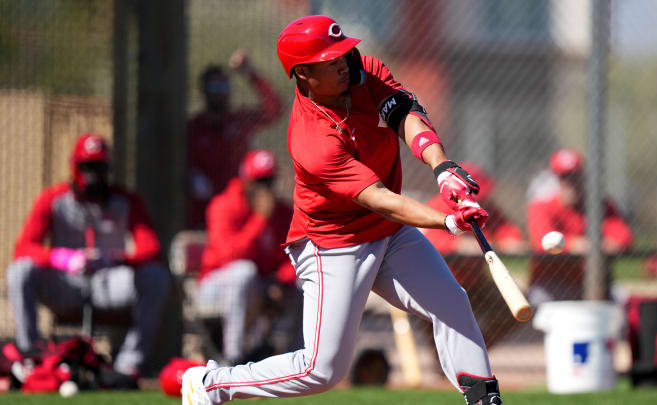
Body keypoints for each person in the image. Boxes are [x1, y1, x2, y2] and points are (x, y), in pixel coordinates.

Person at [183, 15, 503, 405]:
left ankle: (484, 400)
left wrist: (442, 168)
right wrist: (447, 220)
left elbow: (407, 117)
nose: (344, 60)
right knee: (321, 370)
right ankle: (213, 384)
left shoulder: (365, 72)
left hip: (388, 232)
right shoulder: (312, 138)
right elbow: (381, 198)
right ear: (303, 74)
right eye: (331, 59)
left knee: (451, 302)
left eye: (343, 51)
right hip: (333, 244)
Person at [6, 133, 171, 377]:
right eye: (87, 167)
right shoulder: (53, 199)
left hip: (108, 281)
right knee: (19, 271)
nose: (92, 174)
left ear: (108, 169)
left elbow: (151, 249)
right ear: (75, 167)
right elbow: (24, 248)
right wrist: (61, 258)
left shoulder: (126, 200)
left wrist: (116, 258)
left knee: (156, 276)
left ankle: (128, 365)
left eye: (98, 167)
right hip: (65, 283)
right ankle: (31, 357)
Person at [196, 149, 299, 365]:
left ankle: (298, 361)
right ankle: (233, 357)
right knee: (244, 272)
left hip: (258, 284)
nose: (265, 187)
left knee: (301, 286)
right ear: (245, 181)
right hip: (215, 286)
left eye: (269, 180)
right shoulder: (223, 205)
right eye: (259, 181)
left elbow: (293, 256)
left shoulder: (280, 212)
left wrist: (280, 281)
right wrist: (259, 220)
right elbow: (229, 256)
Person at [423, 162, 525, 349]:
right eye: (474, 193)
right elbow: (431, 241)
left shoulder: (485, 207)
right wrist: (462, 244)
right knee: (438, 325)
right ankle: (443, 364)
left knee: (513, 309)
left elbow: (510, 234)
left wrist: (506, 240)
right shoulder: (437, 206)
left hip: (474, 283)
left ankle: (476, 348)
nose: (481, 198)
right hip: (439, 282)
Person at [187, 49, 283, 229]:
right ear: (204, 90)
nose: (220, 93)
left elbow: (274, 110)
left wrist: (251, 75)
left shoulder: (239, 121)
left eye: (224, 86)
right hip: (200, 213)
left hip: (240, 208)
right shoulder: (193, 128)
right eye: (214, 87)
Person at [526, 148, 633, 304]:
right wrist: (589, 245)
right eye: (564, 177)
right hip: (552, 283)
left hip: (594, 283)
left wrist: (578, 245)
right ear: (557, 179)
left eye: (575, 176)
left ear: (583, 177)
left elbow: (624, 239)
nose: (570, 183)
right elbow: (542, 242)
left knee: (623, 301)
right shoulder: (542, 207)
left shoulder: (600, 206)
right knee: (537, 301)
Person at [424, 161, 526, 256]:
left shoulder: (484, 206)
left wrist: (509, 240)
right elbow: (428, 238)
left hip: (475, 271)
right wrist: (459, 245)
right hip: (444, 268)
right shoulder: (440, 205)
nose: (481, 199)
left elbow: (504, 228)